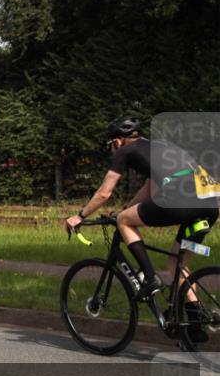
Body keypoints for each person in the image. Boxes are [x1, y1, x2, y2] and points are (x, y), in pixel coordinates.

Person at [65, 117, 219, 340]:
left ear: (118, 141)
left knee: (124, 222)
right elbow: (149, 188)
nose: (112, 149)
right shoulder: (160, 146)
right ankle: (195, 321)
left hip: (179, 200)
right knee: (176, 262)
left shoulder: (124, 151)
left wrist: (79, 216)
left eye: (110, 144)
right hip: (208, 205)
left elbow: (104, 193)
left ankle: (149, 278)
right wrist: (126, 209)